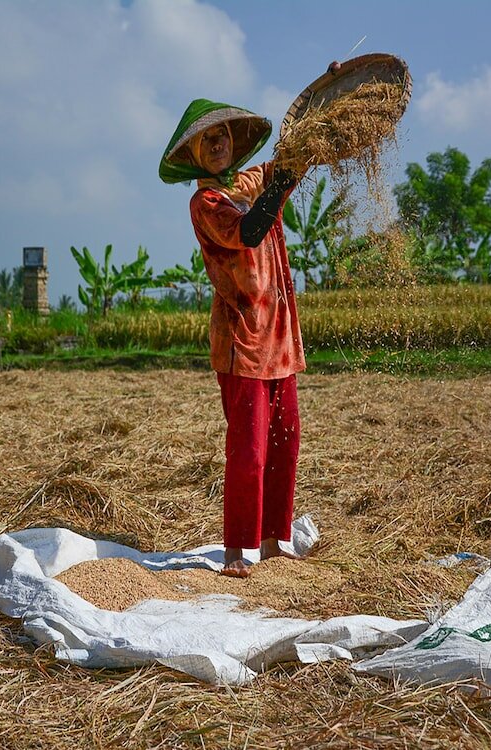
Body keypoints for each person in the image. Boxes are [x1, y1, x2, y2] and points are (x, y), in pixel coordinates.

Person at [159, 99, 306, 578]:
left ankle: (271, 541)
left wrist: (321, 115)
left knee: (285, 441)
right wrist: (279, 184)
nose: (219, 145)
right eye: (209, 141)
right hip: (242, 334)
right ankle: (236, 550)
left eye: (223, 136)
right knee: (250, 450)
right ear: (196, 154)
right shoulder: (206, 203)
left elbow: (293, 159)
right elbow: (250, 230)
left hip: (279, 333)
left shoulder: (247, 181)